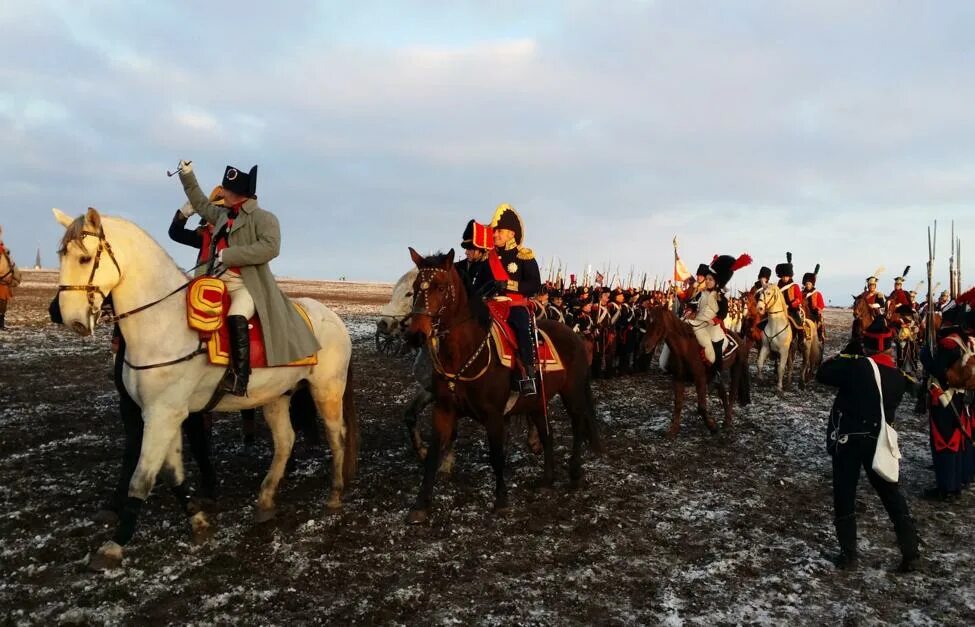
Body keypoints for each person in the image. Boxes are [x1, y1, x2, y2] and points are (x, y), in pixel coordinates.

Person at [176, 161, 320, 396]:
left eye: (227, 190)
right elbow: (201, 203)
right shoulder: (222, 215)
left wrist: (229, 255)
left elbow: (270, 248)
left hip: (246, 285)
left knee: (235, 316)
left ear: (240, 195)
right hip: (215, 281)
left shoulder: (265, 219)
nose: (223, 192)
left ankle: (240, 378)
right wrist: (187, 176)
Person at [816, 317, 921, 572]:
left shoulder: (856, 367)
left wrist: (847, 354)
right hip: (879, 442)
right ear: (889, 347)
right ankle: (910, 552)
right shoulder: (899, 377)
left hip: (849, 440)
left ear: (866, 345)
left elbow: (822, 373)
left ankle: (849, 554)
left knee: (845, 495)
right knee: (891, 496)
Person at [486, 204, 541, 395]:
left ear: (511, 233)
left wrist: (508, 285)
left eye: (499, 231)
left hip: (515, 305)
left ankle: (528, 373)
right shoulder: (489, 257)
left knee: (520, 327)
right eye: (494, 232)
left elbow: (534, 285)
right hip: (491, 305)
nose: (495, 235)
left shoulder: (523, 256)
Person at [690, 254, 751, 380]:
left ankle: (716, 371)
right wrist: (689, 310)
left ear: (716, 281)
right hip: (698, 322)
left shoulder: (720, 297)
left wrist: (714, 320)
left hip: (714, 325)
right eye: (706, 279)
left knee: (715, 342)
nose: (707, 281)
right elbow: (693, 304)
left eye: (710, 279)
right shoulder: (700, 294)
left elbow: (723, 312)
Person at [455, 219, 493, 296]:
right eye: (466, 249)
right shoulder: (458, 267)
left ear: (481, 250)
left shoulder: (489, 269)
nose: (466, 252)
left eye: (470, 249)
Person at [775, 253, 805, 339]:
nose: (785, 278)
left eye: (786, 276)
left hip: (792, 310)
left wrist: (791, 305)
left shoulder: (794, 286)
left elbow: (799, 299)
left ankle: (801, 341)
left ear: (790, 276)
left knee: (799, 323)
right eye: (783, 276)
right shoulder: (777, 287)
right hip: (780, 310)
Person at [0, 226, 20, 330]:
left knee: (2, 305)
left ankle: (1, 325)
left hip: (3, 282)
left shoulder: (4, 250)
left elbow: (10, 265)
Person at [802, 265, 826, 342]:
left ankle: (819, 338)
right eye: (806, 284)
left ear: (812, 284)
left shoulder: (817, 294)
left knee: (819, 323)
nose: (807, 285)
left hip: (814, 313)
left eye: (809, 283)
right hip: (803, 313)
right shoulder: (801, 293)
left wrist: (818, 309)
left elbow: (821, 304)